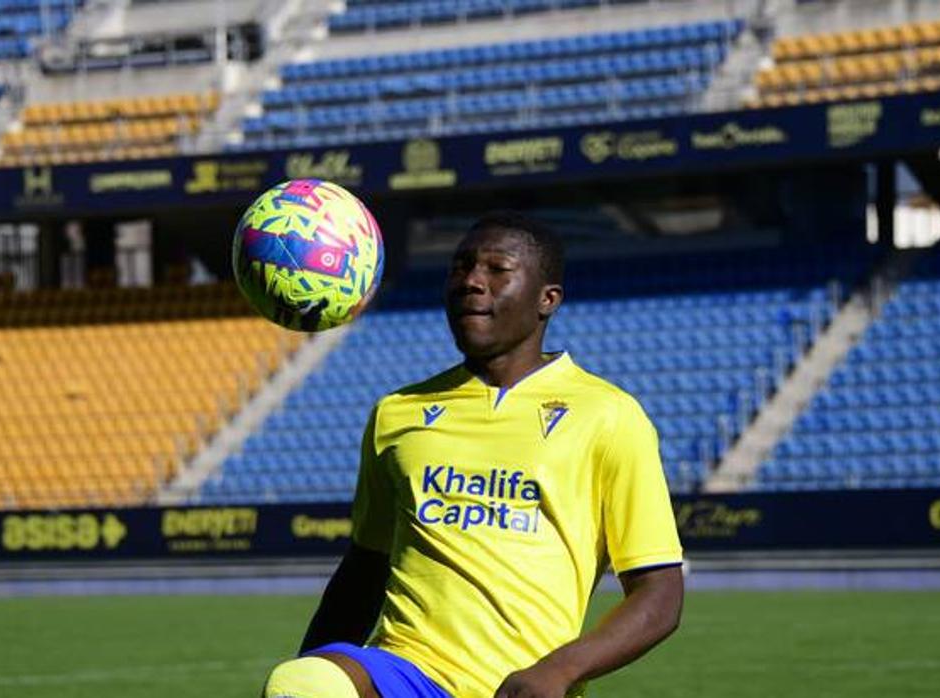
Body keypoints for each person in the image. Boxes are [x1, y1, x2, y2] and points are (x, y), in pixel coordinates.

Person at [265, 212, 685, 698]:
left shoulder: (609, 415)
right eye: (460, 267)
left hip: (520, 687)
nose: (471, 281)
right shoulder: (397, 413)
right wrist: (308, 672)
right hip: (405, 673)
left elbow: (659, 596)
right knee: (300, 684)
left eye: (496, 269)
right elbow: (363, 573)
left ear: (547, 299)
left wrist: (560, 670)